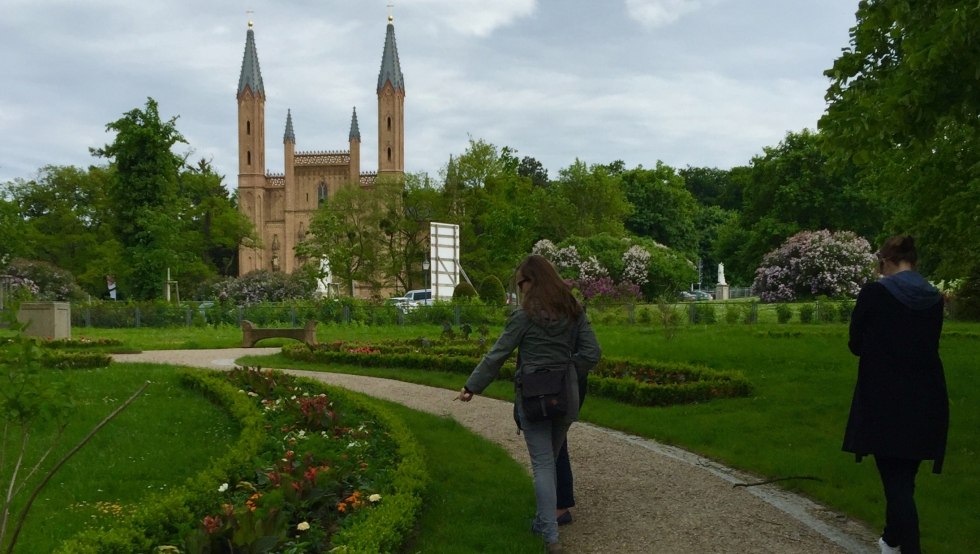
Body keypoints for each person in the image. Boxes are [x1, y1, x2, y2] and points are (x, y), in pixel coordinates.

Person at [456, 254, 601, 553]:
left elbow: (498, 354)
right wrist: (569, 372)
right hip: (566, 396)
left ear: (533, 281)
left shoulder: (524, 317)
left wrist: (472, 386)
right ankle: (544, 523)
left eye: (521, 283)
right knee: (551, 458)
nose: (520, 289)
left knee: (543, 465)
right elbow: (592, 353)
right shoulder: (574, 312)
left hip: (535, 396)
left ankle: (550, 538)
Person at [842, 235, 949, 554]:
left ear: (886, 262)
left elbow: (856, 344)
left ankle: (910, 547)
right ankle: (891, 538)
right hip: (927, 394)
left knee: (895, 478)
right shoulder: (933, 298)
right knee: (905, 471)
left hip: (885, 395)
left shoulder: (875, 293)